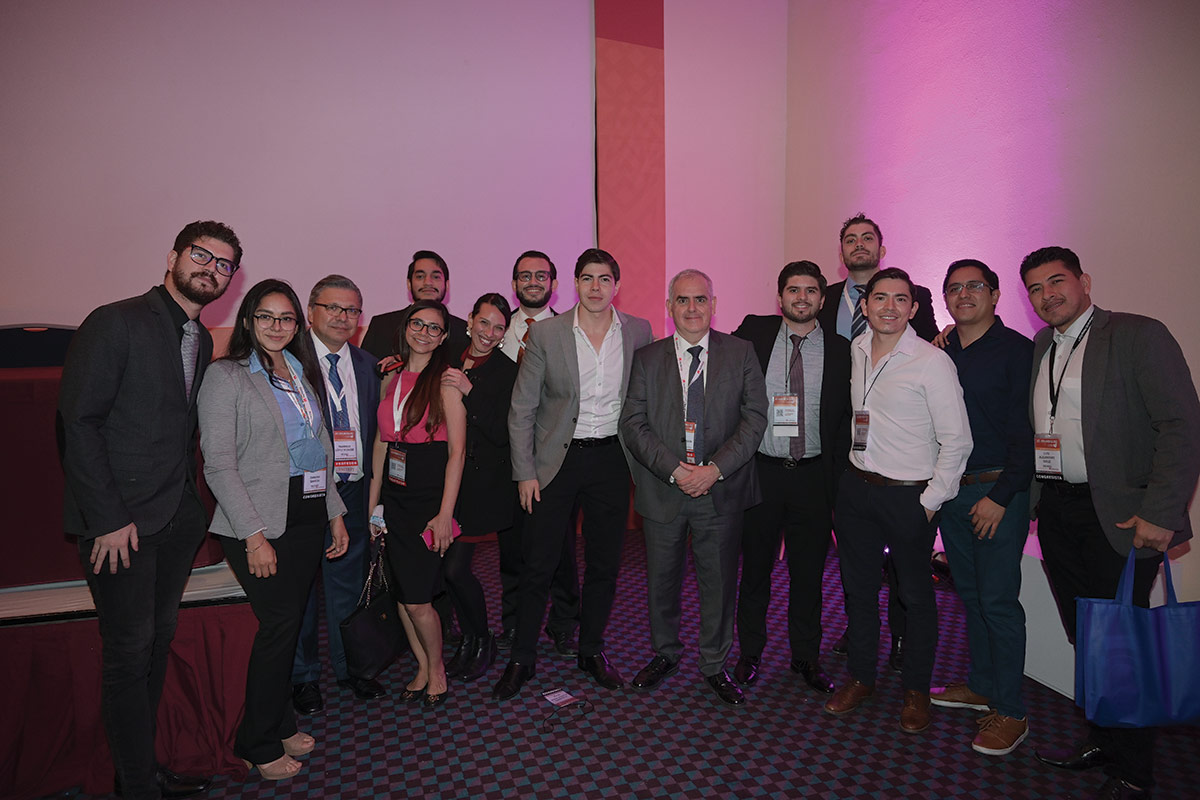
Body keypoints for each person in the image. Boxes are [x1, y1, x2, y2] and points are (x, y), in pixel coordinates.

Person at [58, 219, 240, 800]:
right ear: (172, 256)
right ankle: (136, 786)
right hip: (120, 526)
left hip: (174, 519)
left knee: (157, 646)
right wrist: (107, 519)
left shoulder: (200, 339)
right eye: (202, 256)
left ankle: (139, 769)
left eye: (224, 265)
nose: (211, 270)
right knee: (128, 654)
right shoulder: (115, 321)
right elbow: (77, 424)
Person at [1020, 247, 1200, 800]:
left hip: (1119, 516)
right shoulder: (1043, 344)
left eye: (1057, 281)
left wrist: (1161, 513)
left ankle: (1134, 772)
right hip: (1058, 511)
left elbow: (1181, 425)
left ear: (1085, 281)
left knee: (1122, 643)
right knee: (1086, 634)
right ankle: (1102, 740)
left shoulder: (1137, 334)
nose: (1047, 295)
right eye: (1036, 288)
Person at [199, 279, 349, 781]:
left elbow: (320, 449)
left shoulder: (299, 371)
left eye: (286, 318)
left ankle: (280, 722)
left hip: (306, 512)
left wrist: (334, 512)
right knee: (279, 628)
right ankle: (256, 742)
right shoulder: (227, 376)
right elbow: (218, 465)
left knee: (288, 627)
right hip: (258, 519)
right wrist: (254, 536)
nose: (277, 326)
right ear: (248, 320)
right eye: (266, 316)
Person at [493, 248, 653, 700]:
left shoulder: (639, 331)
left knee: (605, 563)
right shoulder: (548, 333)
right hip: (554, 464)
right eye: (587, 278)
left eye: (604, 279)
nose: (595, 287)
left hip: (611, 461)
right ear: (574, 284)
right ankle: (522, 658)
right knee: (539, 563)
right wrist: (525, 473)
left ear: (616, 285)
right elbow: (522, 409)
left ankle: (591, 650)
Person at [823, 268, 971, 734]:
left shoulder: (931, 361)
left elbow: (958, 441)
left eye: (900, 299)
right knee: (859, 590)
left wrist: (930, 501)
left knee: (916, 596)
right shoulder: (857, 348)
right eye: (880, 298)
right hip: (856, 490)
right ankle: (861, 677)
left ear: (913, 308)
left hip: (909, 496)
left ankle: (916, 690)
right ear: (864, 306)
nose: (889, 306)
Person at [620, 269, 767, 705]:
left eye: (700, 299)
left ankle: (715, 664)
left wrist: (714, 470)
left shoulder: (741, 352)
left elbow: (754, 419)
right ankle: (665, 653)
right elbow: (633, 423)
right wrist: (676, 470)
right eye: (682, 300)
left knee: (718, 584)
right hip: (664, 489)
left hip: (720, 490)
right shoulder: (647, 358)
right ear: (669, 307)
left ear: (713, 305)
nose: (691, 308)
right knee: (662, 582)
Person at [817, 212, 939, 669]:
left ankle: (902, 637)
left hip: (897, 445)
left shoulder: (913, 296)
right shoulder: (824, 298)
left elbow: (928, 349)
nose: (859, 245)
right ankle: (860, 630)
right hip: (840, 441)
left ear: (881, 249)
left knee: (904, 564)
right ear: (842, 251)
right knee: (857, 555)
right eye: (850, 239)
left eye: (867, 238)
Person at [730, 261, 851, 695]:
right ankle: (750, 653)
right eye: (794, 290)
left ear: (822, 298)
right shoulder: (754, 333)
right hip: (762, 474)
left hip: (813, 478)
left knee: (808, 574)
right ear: (779, 296)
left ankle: (806, 657)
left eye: (811, 290)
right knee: (755, 570)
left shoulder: (841, 349)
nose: (802, 297)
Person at [931, 259, 1034, 756]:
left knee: (998, 602)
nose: (964, 294)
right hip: (953, 488)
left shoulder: (1018, 351)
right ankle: (982, 685)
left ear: (994, 295)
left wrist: (1002, 496)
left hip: (996, 491)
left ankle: (1011, 710)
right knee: (970, 596)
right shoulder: (942, 349)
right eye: (954, 288)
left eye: (975, 286)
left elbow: (1029, 431)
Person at [290, 275, 386, 716]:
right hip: (304, 491)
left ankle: (353, 668)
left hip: (353, 488)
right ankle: (304, 677)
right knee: (301, 590)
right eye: (333, 308)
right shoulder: (287, 360)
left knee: (349, 582)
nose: (343, 317)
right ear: (311, 311)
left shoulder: (369, 365)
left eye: (351, 310)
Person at [367, 300, 467, 708]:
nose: (424, 333)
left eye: (434, 328)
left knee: (418, 598)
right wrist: (373, 507)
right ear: (405, 327)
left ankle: (437, 669)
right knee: (403, 595)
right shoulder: (390, 377)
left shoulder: (446, 382)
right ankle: (423, 667)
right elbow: (381, 444)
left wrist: (444, 515)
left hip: (429, 500)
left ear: (443, 338)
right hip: (394, 498)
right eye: (417, 324)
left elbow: (457, 454)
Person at [496, 250, 581, 656]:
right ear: (514, 284)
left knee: (559, 545)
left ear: (554, 283)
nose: (533, 281)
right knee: (512, 545)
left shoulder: (571, 332)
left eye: (541, 275)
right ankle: (514, 621)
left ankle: (564, 621)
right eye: (525, 275)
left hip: (553, 459)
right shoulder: (494, 330)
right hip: (503, 457)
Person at [439, 293, 518, 681]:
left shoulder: (507, 371)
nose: (489, 333)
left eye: (498, 327)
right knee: (444, 569)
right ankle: (469, 639)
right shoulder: (446, 354)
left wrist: (471, 391)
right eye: (483, 322)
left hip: (480, 486)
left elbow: (504, 432)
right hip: (442, 481)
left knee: (456, 569)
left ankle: (482, 638)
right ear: (469, 321)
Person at [359, 249, 469, 362]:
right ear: (409, 284)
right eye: (420, 276)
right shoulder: (381, 325)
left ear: (447, 285)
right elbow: (364, 369)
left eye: (436, 277)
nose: (428, 282)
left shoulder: (462, 331)